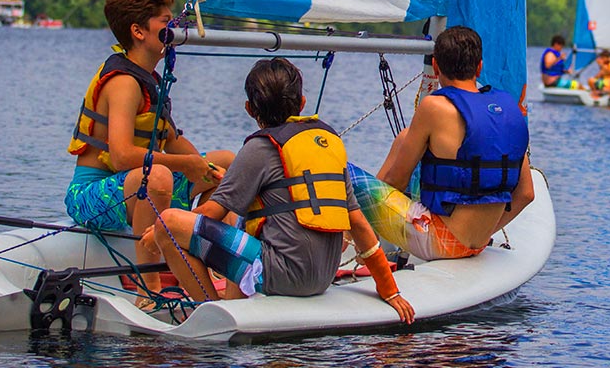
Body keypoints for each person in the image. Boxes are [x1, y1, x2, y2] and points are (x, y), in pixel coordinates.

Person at [142, 58, 415, 323]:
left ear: (250, 108)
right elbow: (357, 222)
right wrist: (389, 289)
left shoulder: (259, 149)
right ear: (302, 103)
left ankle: (212, 311)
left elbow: (211, 213)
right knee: (244, 228)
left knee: (170, 222)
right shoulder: (328, 145)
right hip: (322, 276)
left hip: (283, 275)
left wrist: (158, 231)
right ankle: (233, 303)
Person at [65, 0, 234, 309]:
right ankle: (147, 289)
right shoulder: (124, 83)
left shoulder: (150, 79)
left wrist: (205, 169)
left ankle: (208, 261)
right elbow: (122, 156)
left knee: (226, 164)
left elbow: (173, 140)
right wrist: (185, 166)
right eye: (166, 21)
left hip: (137, 184)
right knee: (155, 176)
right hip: (92, 195)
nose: (175, 29)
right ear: (138, 31)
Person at [349, 25, 534, 261]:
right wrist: (484, 233)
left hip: (439, 241)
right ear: (479, 67)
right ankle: (369, 242)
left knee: (340, 169)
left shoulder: (433, 107)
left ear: (435, 66)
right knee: (406, 137)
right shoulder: (509, 109)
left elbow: (397, 181)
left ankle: (358, 245)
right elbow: (526, 194)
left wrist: (368, 213)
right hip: (477, 243)